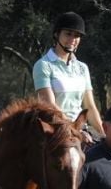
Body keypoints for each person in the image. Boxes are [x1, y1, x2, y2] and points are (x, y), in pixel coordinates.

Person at [32, 11, 103, 142]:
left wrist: (104, 136)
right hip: (55, 131)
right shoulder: (43, 65)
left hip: (80, 130)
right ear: (56, 34)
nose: (73, 39)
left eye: (77, 36)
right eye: (68, 34)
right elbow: (50, 105)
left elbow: (90, 106)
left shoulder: (82, 68)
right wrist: (76, 130)